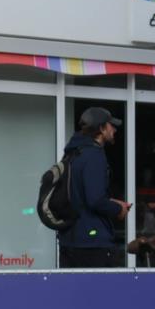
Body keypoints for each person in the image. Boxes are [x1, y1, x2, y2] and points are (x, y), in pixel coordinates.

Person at [57, 107, 130, 268]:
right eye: (111, 126)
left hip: (69, 240)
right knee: (102, 292)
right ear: (101, 128)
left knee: (74, 292)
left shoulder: (73, 154)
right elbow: (95, 200)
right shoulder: (94, 155)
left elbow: (81, 195)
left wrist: (111, 202)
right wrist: (118, 209)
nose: (115, 129)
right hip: (92, 244)